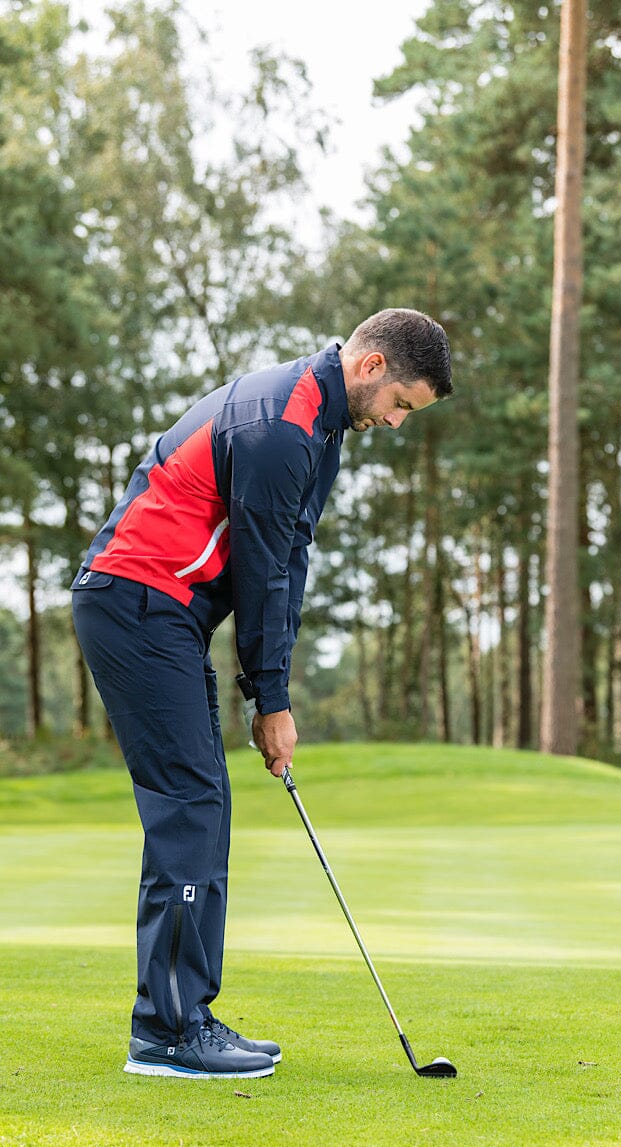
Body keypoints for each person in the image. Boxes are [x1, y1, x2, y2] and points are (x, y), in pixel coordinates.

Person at [71, 309, 453, 1080]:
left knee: (201, 801)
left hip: (162, 612)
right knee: (192, 801)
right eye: (402, 405)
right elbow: (260, 571)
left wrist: (267, 689)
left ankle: (185, 1017)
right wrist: (269, 702)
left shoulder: (321, 424)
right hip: (137, 600)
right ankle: (168, 1034)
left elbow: (290, 560)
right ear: (371, 367)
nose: (398, 422)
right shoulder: (283, 424)